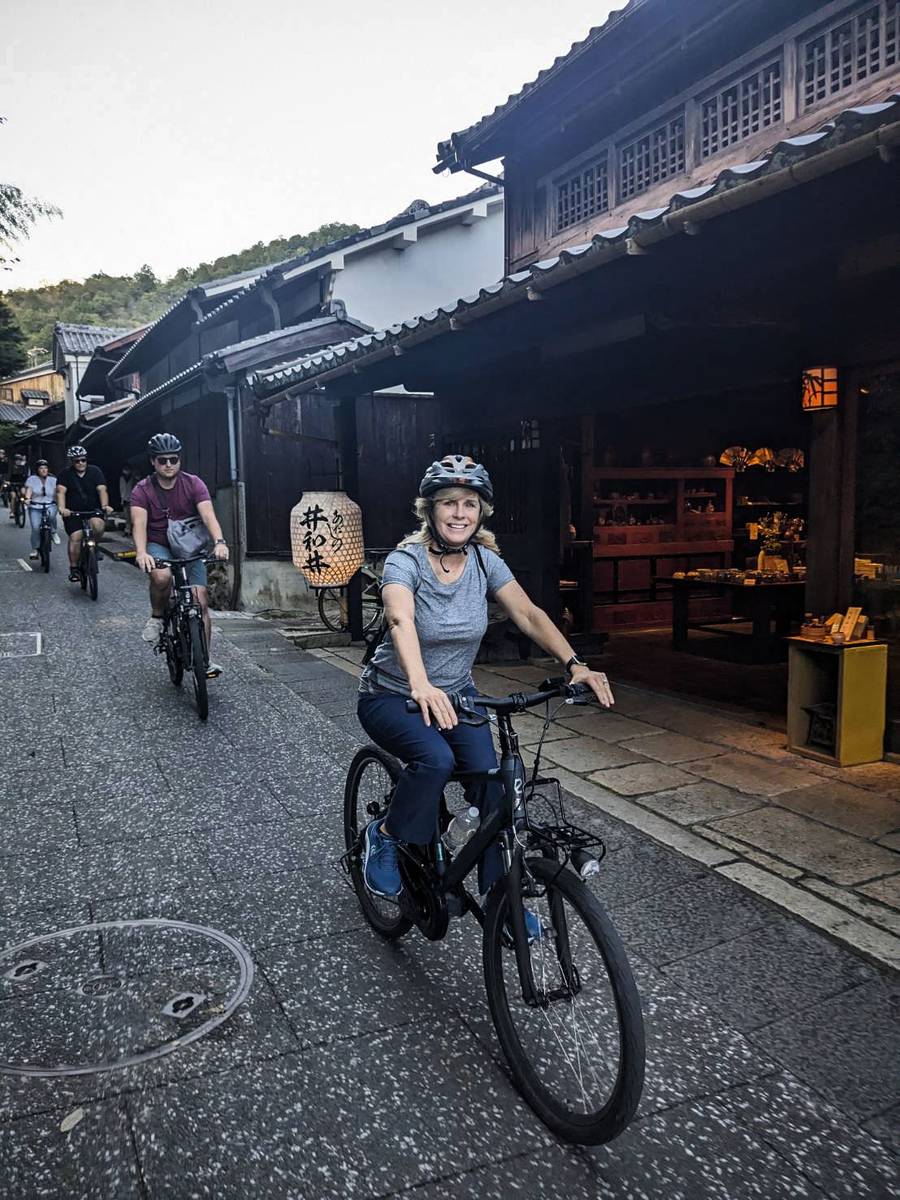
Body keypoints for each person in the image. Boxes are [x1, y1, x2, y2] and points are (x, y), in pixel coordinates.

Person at [357, 453, 614, 906]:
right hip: (392, 695)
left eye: (470, 504)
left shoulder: (484, 561)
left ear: (481, 513)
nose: (459, 513)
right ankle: (387, 835)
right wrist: (421, 683)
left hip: (458, 697)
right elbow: (400, 619)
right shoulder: (405, 561)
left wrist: (575, 663)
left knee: (496, 790)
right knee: (435, 760)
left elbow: (528, 614)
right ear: (430, 510)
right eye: (449, 502)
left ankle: (503, 908)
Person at [130, 432, 229, 678]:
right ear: (153, 462)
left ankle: (204, 660)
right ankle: (157, 617)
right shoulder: (142, 489)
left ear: (179, 460)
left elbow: (208, 515)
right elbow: (139, 524)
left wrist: (219, 542)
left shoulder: (193, 483)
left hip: (189, 545)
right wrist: (141, 552)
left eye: (173, 459)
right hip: (159, 543)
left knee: (200, 600)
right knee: (161, 577)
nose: (168, 465)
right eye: (162, 460)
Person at [57, 446, 112, 582]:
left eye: (83, 460)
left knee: (98, 525)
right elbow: (61, 492)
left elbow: (102, 490)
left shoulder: (95, 471)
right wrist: (62, 508)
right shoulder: (65, 474)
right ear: (72, 462)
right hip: (73, 512)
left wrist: (104, 506)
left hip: (93, 510)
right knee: (75, 537)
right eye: (77, 461)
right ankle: (74, 569)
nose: (81, 463)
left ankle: (95, 546)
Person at [23, 459, 60, 559]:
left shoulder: (53, 479)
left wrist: (59, 503)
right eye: (41, 468)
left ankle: (53, 532)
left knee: (51, 516)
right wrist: (27, 499)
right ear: (37, 470)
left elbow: (57, 493)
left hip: (50, 504)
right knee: (35, 528)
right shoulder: (32, 479)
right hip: (35, 506)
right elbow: (29, 490)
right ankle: (35, 549)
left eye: (45, 468)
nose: (43, 470)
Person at [7, 453, 28, 520]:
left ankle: (23, 504)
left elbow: (26, 476)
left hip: (21, 484)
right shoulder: (11, 467)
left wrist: (27, 482)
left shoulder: (23, 467)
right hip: (13, 484)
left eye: (19, 460)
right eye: (17, 460)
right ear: (15, 461)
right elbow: (9, 475)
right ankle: (12, 511)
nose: (18, 461)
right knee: (13, 496)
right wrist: (8, 481)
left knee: (23, 493)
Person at [119, 464, 135, 535]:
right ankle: (127, 530)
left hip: (132, 499)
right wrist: (122, 499)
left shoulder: (133, 479)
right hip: (125, 499)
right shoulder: (122, 478)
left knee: (132, 516)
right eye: (125, 470)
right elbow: (121, 489)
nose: (126, 471)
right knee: (126, 516)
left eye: (127, 470)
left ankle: (132, 530)